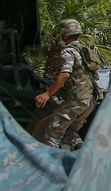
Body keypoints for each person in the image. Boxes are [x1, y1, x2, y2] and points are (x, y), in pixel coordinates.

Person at [35, 18, 99, 150]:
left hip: (76, 101)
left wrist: (47, 94)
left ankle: (52, 164)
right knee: (68, 130)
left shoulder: (68, 51)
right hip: (90, 100)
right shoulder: (86, 51)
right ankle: (80, 150)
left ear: (65, 35)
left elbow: (65, 74)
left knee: (52, 132)